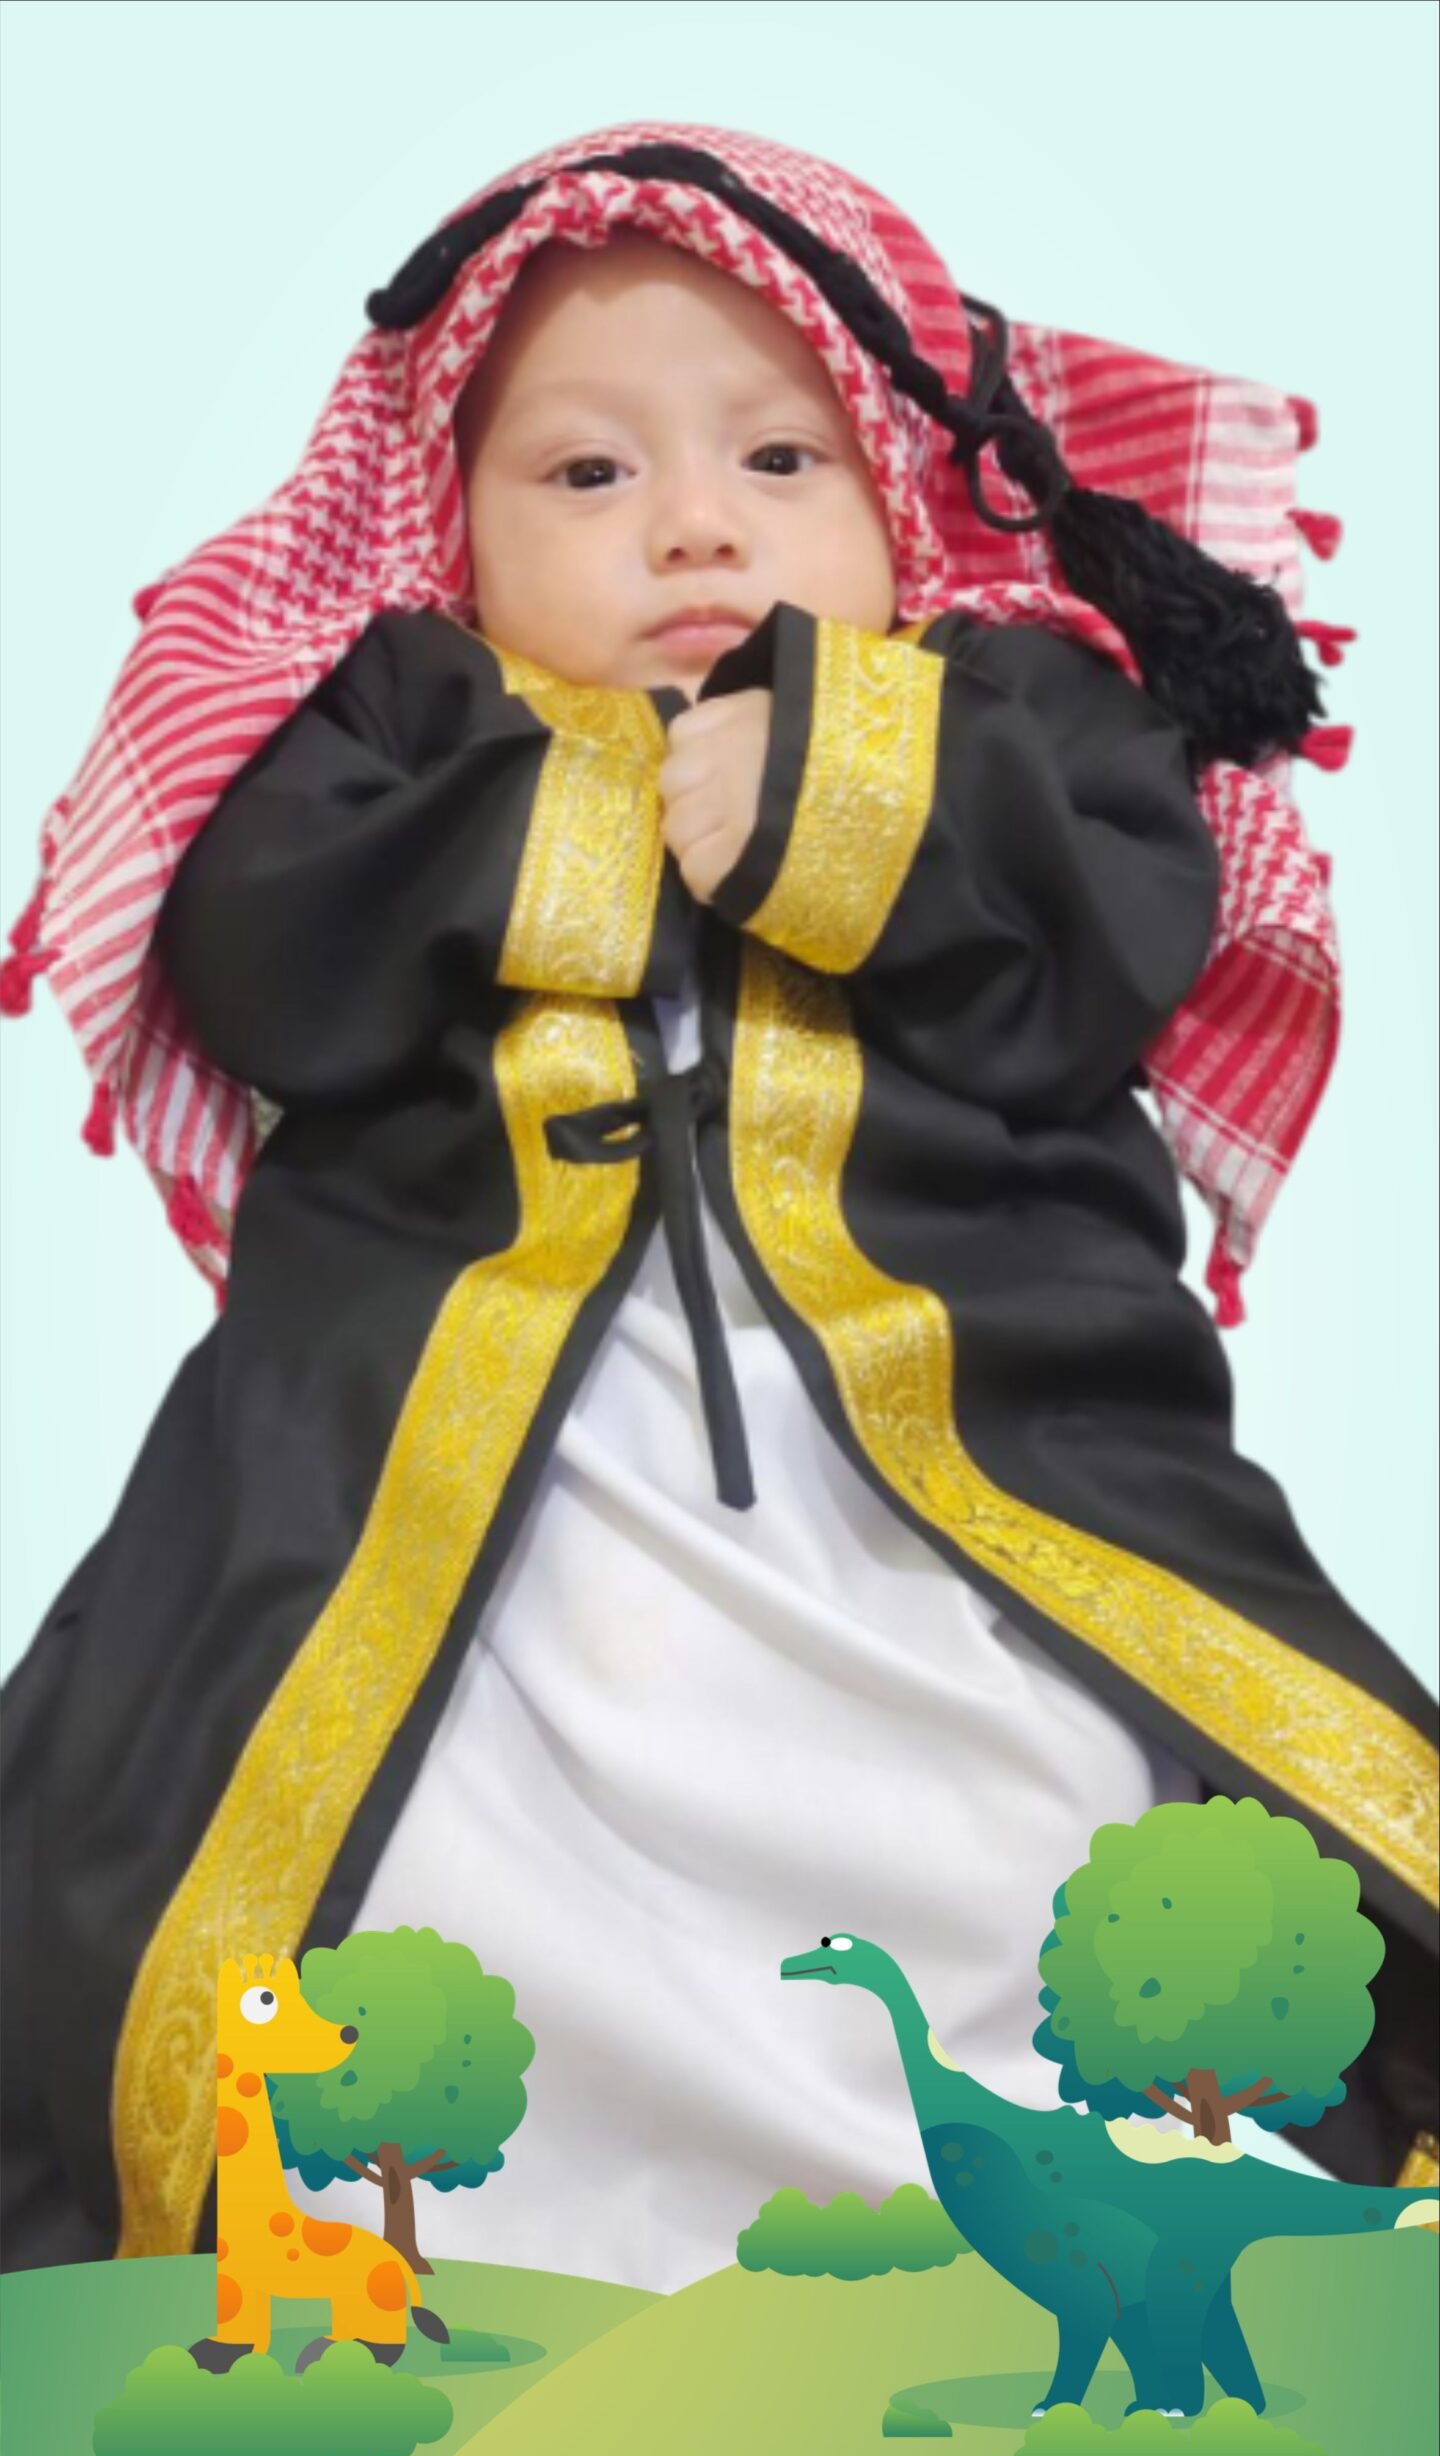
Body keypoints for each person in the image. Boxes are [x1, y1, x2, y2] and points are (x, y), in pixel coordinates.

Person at [1, 121, 1435, 2293]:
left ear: (895, 495)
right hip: (438, 1519)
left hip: (968, 1491)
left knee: (1063, 1834)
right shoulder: (387, 720)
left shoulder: (1014, 713)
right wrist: (588, 816)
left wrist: (839, 798)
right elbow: (263, 944)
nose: (693, 523)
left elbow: (1108, 939)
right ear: (449, 533)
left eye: (780, 460)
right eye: (587, 474)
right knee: (362, 1882)